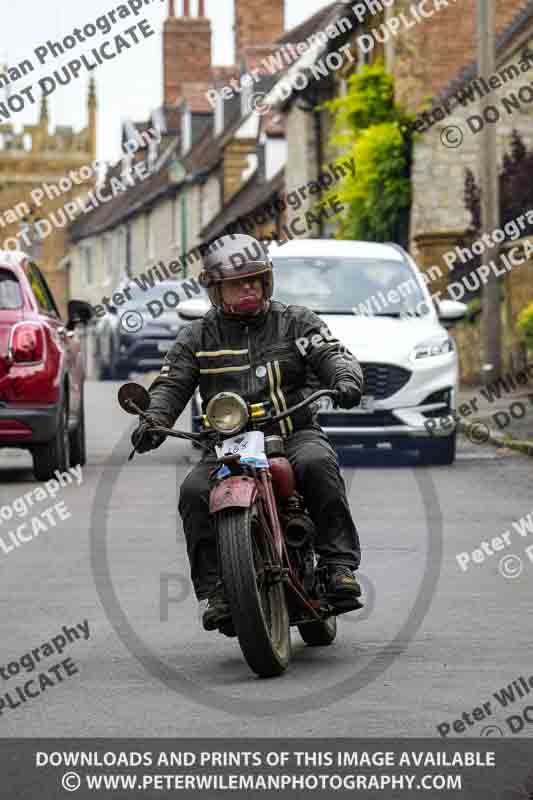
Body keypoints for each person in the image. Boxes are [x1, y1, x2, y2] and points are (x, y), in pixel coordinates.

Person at [132, 234, 364, 632]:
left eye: (255, 280)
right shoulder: (196, 337)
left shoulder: (297, 322)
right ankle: (218, 590)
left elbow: (332, 353)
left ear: (268, 282)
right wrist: (152, 419)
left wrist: (344, 377)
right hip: (226, 446)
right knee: (192, 491)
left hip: (293, 431)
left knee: (317, 462)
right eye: (238, 282)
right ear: (215, 288)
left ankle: (337, 566)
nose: (249, 288)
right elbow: (170, 385)